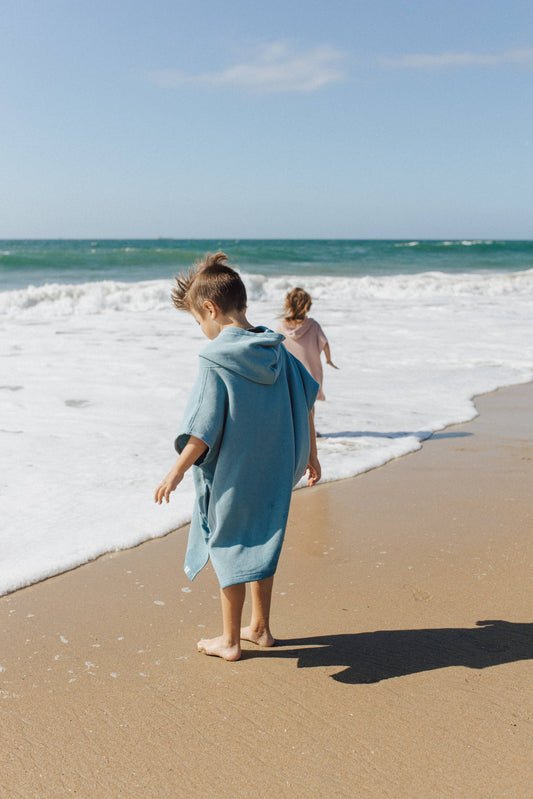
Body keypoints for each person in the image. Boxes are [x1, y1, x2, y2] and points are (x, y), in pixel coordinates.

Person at [154, 253, 321, 661]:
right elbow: (306, 402)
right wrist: (312, 455)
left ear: (210, 309)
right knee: (264, 541)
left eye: (199, 322)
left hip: (235, 475)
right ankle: (260, 629)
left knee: (229, 546)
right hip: (275, 469)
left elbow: (202, 430)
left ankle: (230, 641)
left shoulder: (215, 360)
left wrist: (176, 471)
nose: (203, 331)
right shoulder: (277, 351)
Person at [276, 288, 338, 404]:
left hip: (289, 377)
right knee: (309, 411)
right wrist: (329, 360)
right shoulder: (313, 325)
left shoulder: (281, 327)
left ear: (289, 304)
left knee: (293, 410)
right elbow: (325, 343)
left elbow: (274, 347)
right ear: (308, 306)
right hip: (310, 377)